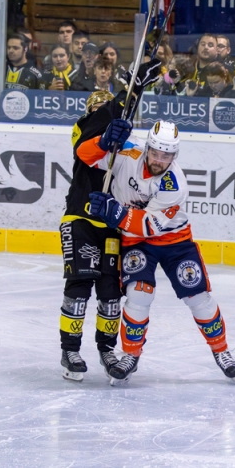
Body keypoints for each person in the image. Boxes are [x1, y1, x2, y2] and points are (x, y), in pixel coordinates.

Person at [77, 118, 235, 383]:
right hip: (136, 242)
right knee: (139, 294)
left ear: (174, 155)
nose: (159, 160)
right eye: (155, 153)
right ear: (148, 148)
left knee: (198, 297)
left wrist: (114, 212)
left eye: (166, 156)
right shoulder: (128, 151)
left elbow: (148, 226)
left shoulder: (175, 184)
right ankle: (131, 355)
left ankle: (221, 351)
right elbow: (84, 156)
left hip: (175, 242)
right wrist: (105, 141)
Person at [59, 60, 162, 383]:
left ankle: (106, 347)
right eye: (97, 107)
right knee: (79, 285)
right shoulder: (83, 127)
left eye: (107, 106)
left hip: (113, 226)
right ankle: (70, 349)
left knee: (110, 292)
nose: (101, 109)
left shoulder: (126, 145)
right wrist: (125, 99)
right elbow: (85, 152)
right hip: (81, 219)